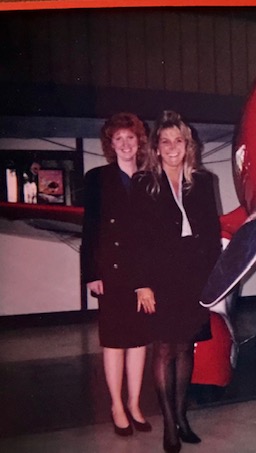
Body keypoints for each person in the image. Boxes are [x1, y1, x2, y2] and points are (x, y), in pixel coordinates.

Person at [131, 110, 222, 453]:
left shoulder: (204, 181)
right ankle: (169, 424)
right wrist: (141, 283)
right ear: (156, 148)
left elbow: (212, 237)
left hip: (194, 276)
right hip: (159, 277)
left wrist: (214, 282)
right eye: (165, 142)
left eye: (178, 141)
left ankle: (182, 417)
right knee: (164, 349)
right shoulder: (143, 183)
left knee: (186, 347)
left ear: (188, 146)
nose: (172, 147)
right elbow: (136, 237)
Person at [80, 112, 152, 436]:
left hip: (142, 274)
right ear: (111, 144)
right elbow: (89, 229)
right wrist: (90, 273)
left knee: (138, 341)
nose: (125, 144)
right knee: (114, 343)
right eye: (118, 139)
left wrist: (151, 279)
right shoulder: (97, 178)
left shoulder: (150, 179)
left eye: (130, 138)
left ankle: (135, 403)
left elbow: (155, 234)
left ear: (139, 142)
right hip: (110, 272)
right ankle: (116, 405)